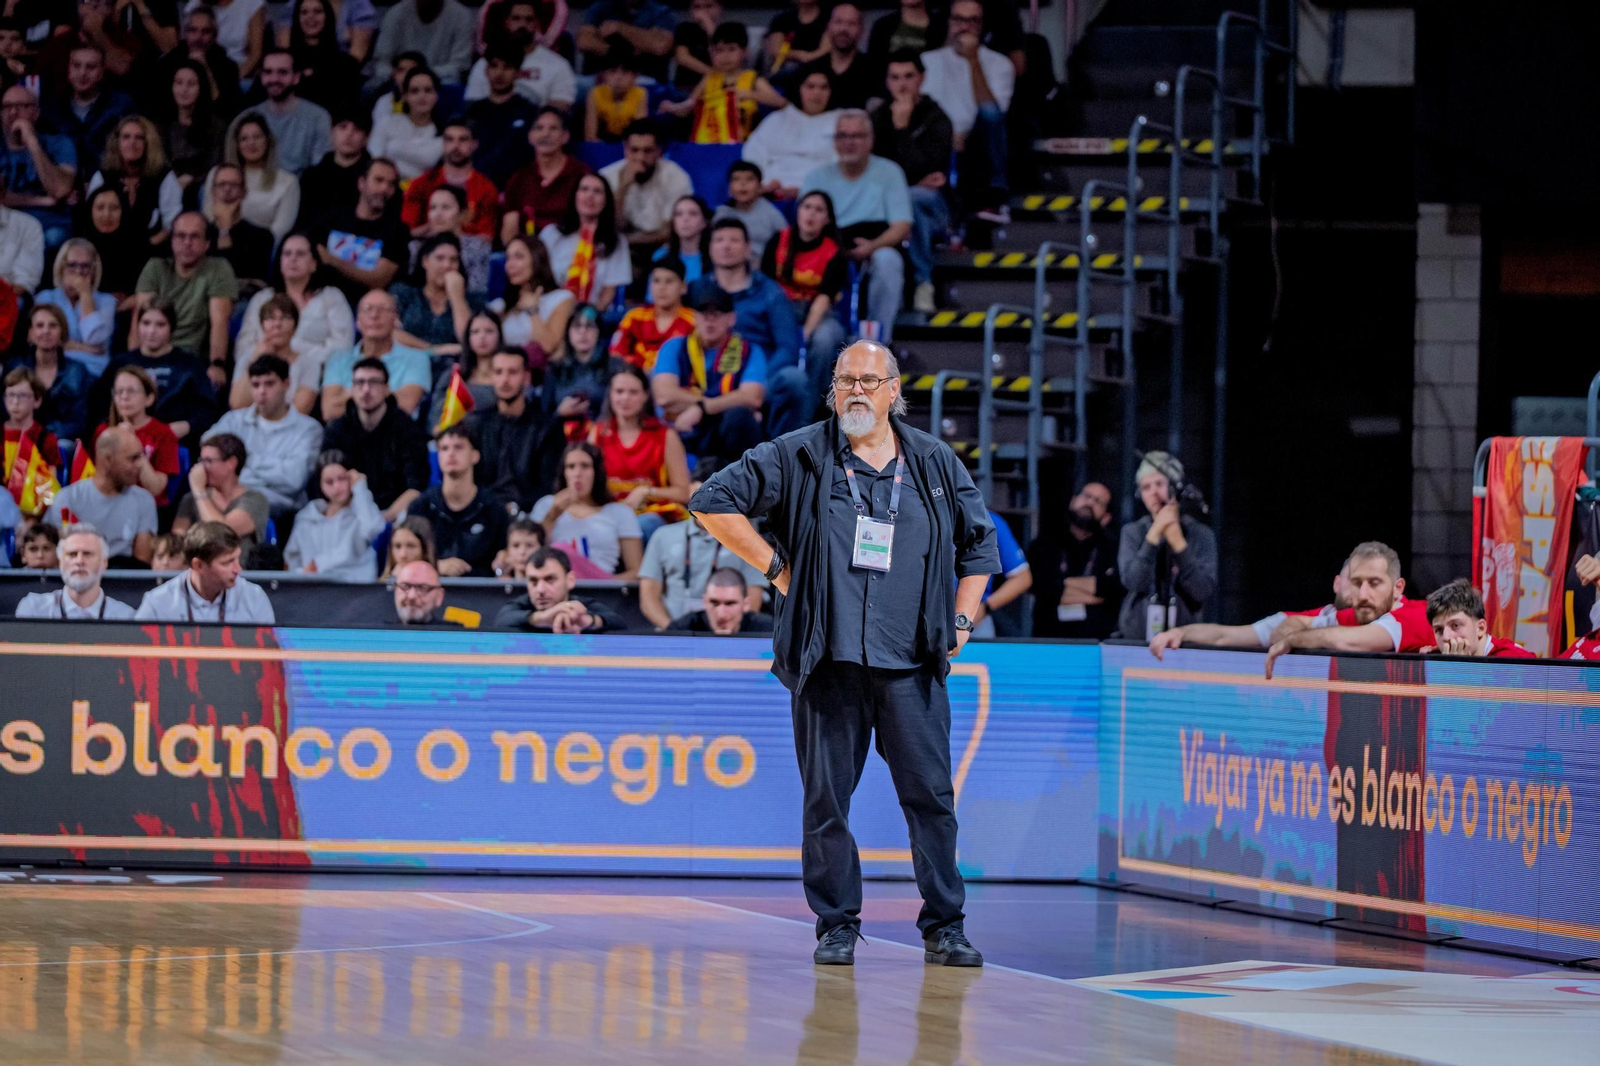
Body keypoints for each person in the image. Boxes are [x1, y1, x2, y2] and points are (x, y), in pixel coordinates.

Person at [688, 339, 996, 967]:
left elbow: (979, 547)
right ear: (832, 390)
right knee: (827, 801)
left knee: (931, 799)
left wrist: (962, 618)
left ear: (893, 390)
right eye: (845, 380)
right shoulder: (798, 453)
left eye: (868, 380)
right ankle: (835, 923)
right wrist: (776, 567)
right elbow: (710, 501)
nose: (855, 390)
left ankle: (945, 926)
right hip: (827, 662)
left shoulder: (935, 461)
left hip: (911, 661)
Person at [800, 109, 911, 342]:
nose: (849, 142)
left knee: (888, 260)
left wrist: (871, 247)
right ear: (835, 142)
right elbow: (804, 225)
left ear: (870, 140)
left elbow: (901, 226)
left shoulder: (890, 172)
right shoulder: (815, 177)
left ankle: (877, 343)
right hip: (828, 249)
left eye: (857, 136)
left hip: (873, 247)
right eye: (843, 136)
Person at [688, 218, 804, 434]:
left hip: (759, 375)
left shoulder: (770, 292)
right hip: (706, 374)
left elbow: (787, 348)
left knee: (793, 379)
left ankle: (783, 453)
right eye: (719, 240)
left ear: (748, 248)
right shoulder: (697, 289)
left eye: (734, 240)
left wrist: (756, 382)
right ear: (710, 248)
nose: (726, 246)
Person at [1261, 542, 1438, 678]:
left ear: (1398, 588)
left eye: (1374, 583)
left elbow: (1346, 641)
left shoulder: (1415, 616)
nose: (1363, 595)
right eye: (1356, 583)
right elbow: (1294, 624)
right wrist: (1284, 638)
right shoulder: (1362, 614)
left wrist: (1292, 640)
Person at [639, 461, 766, 628]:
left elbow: (753, 599)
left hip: (727, 638)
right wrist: (676, 633)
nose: (704, 501)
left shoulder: (747, 540)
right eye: (698, 492)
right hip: (673, 638)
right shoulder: (663, 536)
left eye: (714, 494)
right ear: (689, 490)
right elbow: (648, 597)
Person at [873, 51, 953, 313]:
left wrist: (902, 129)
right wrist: (912, 178)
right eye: (895, 77)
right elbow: (877, 170)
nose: (902, 84)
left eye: (909, 76)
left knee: (911, 198)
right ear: (887, 82)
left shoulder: (937, 118)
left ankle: (919, 283)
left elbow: (926, 168)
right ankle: (923, 283)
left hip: (937, 206)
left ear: (922, 78)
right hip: (897, 203)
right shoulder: (877, 118)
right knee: (909, 202)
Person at [919, 0, 1012, 224]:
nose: (965, 26)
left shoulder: (1000, 63)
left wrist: (973, 61)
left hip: (978, 139)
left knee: (990, 113)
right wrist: (947, 133)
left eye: (972, 20)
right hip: (938, 137)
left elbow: (993, 113)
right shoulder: (927, 61)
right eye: (959, 19)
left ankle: (996, 198)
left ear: (981, 25)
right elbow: (923, 110)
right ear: (949, 22)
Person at [651, 286, 766, 464]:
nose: (709, 321)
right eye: (703, 314)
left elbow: (752, 397)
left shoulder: (749, 351)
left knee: (739, 417)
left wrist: (703, 408)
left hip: (724, 433)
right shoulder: (674, 347)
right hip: (684, 429)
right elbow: (665, 395)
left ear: (731, 318)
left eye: (717, 314)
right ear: (695, 317)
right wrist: (715, 404)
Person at [233, 233, 355, 396]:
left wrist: (291, 350)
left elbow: (343, 348)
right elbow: (243, 347)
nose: (293, 259)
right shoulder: (262, 298)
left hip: (320, 380)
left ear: (314, 264)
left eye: (300, 254)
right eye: (287, 253)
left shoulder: (331, 297)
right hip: (265, 377)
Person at [206, 354, 322, 520]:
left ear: (287, 384)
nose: (262, 391)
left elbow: (294, 480)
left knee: (246, 503)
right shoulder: (232, 421)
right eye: (255, 385)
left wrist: (241, 462)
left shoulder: (309, 429)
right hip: (229, 495)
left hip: (281, 510)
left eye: (269, 384)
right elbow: (209, 459)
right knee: (192, 499)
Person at [1116, 451, 1217, 640]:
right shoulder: (1132, 532)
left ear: (1175, 487)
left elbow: (1201, 590)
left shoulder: (1201, 534)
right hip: (1136, 638)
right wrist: (1153, 535)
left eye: (1159, 484)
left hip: (1185, 639)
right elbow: (1134, 581)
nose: (1153, 492)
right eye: (1146, 487)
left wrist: (1178, 543)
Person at [585, 364, 690, 540]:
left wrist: (646, 492)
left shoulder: (665, 435)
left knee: (640, 525)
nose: (625, 398)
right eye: (619, 391)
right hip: (608, 513)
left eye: (633, 392)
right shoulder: (597, 433)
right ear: (610, 395)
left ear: (645, 396)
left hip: (652, 515)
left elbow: (684, 493)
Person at [131, 210, 239, 378]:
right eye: (180, 236)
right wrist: (135, 364)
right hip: (154, 355)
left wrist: (217, 364)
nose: (187, 243)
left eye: (195, 237)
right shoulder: (155, 267)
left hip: (193, 360)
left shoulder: (218, 268)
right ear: (172, 241)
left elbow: (220, 322)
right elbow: (140, 318)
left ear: (207, 243)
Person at [322, 357, 430, 521]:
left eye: (373, 383)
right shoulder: (337, 430)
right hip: (349, 515)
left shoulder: (408, 429)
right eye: (359, 383)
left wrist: (383, 521)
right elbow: (327, 481)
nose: (366, 390)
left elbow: (415, 488)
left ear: (387, 389)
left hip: (395, 516)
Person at [761, 189, 848, 389]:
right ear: (797, 211)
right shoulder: (778, 240)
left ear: (827, 219)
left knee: (823, 341)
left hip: (820, 312)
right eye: (807, 207)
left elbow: (824, 298)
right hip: (780, 307)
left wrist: (806, 332)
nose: (811, 214)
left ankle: (813, 403)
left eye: (819, 210)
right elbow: (765, 284)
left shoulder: (834, 251)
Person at [101, 301, 220, 445]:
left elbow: (208, 412)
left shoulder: (190, 364)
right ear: (137, 325)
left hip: (175, 440)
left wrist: (186, 426)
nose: (151, 331)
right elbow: (100, 407)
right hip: (125, 439)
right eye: (146, 323)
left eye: (160, 325)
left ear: (172, 327)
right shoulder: (120, 364)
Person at [464, 345, 560, 513]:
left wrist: (516, 508)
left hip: (530, 514)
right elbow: (469, 480)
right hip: (482, 512)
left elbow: (549, 486)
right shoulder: (476, 424)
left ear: (526, 378)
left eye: (513, 372)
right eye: (499, 372)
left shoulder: (547, 428)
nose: (505, 380)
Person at [43, 427, 158, 564]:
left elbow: (141, 564)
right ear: (108, 460)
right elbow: (52, 555)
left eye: (140, 457)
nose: (140, 465)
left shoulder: (144, 501)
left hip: (123, 580)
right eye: (133, 459)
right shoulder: (67, 498)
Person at [659, 22, 787, 144]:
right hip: (707, 141)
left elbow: (781, 102)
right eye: (719, 50)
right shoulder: (709, 79)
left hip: (743, 143)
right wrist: (672, 107)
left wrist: (750, 94)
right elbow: (690, 105)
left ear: (745, 51)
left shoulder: (753, 79)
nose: (725, 56)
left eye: (731, 49)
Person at [409, 423, 509, 576]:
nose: (451, 454)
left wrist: (503, 562)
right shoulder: (421, 507)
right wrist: (436, 566)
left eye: (459, 447)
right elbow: (405, 557)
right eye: (444, 448)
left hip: (482, 593)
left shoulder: (494, 508)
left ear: (475, 455)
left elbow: (503, 557)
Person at [308, 156, 409, 306]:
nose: (384, 189)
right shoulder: (331, 219)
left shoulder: (397, 231)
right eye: (379, 180)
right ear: (362, 183)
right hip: (319, 300)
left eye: (391, 184)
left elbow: (378, 279)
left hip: (364, 308)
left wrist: (332, 260)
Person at [531, 441, 643, 577]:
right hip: (554, 589)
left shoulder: (619, 513)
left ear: (597, 472)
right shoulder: (546, 505)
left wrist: (606, 587)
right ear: (563, 473)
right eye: (571, 467)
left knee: (562, 550)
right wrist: (551, 517)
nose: (577, 473)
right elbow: (529, 556)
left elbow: (636, 571)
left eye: (585, 466)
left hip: (601, 588)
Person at [1027, 481, 1121, 639]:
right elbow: (1041, 587)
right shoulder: (1046, 542)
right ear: (1073, 501)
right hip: (1048, 638)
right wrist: (1094, 594)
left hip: (1096, 641)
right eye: (1087, 496)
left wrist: (1063, 586)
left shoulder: (1113, 548)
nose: (1090, 502)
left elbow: (1113, 590)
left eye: (1099, 501)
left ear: (1106, 517)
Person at [135, 520, 276, 623]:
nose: (238, 569)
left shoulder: (254, 597)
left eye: (237, 559)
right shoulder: (157, 603)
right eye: (227, 562)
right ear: (198, 565)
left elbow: (269, 658)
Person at [320, 289, 431, 420]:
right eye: (367, 309)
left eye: (383, 309)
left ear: (395, 319)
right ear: (358, 321)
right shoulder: (337, 359)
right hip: (346, 436)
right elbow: (330, 410)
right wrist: (387, 394)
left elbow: (406, 405)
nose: (374, 315)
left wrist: (350, 394)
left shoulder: (416, 358)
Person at [283, 449, 385, 580]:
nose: (336, 487)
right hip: (312, 590)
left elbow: (373, 528)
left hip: (354, 589)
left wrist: (360, 488)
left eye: (342, 479)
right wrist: (302, 573)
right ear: (320, 485)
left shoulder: (362, 510)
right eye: (329, 482)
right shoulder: (306, 516)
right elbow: (292, 559)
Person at [600, 121, 693, 265]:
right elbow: (612, 227)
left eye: (647, 151)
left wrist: (625, 240)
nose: (640, 158)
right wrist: (623, 188)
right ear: (625, 149)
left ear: (659, 151)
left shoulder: (676, 177)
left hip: (664, 247)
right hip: (623, 248)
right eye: (634, 150)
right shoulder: (607, 176)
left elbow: (669, 232)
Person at [742, 68, 838, 200]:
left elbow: (844, 165)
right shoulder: (776, 119)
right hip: (771, 190)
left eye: (824, 87)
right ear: (798, 88)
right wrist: (762, 185)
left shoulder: (842, 121)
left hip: (820, 193)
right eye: (810, 87)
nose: (817, 93)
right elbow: (754, 154)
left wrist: (807, 189)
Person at [83, 115, 182, 243]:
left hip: (153, 251)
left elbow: (172, 224)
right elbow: (92, 222)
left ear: (148, 143)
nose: (132, 142)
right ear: (117, 142)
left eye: (139, 138)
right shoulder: (102, 177)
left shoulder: (164, 177)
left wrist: (144, 248)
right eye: (126, 137)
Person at [91, 365, 181, 505]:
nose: (124, 397)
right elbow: (97, 480)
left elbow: (155, 489)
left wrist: (133, 445)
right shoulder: (104, 432)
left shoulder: (164, 433)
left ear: (149, 399)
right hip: (110, 504)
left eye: (131, 391)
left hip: (149, 508)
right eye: (119, 392)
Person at [1, 84, 77, 247]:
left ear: (36, 112)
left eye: (22, 106)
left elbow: (60, 189)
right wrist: (43, 200)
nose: (13, 112)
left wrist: (32, 142)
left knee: (53, 238)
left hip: (48, 226)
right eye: (7, 106)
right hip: (6, 228)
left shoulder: (60, 144)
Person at [500, 106, 590, 244]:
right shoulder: (519, 179)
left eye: (553, 128)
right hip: (531, 255)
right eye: (539, 128)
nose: (545, 134)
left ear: (565, 136)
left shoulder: (582, 175)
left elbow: (590, 223)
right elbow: (509, 231)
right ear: (530, 137)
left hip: (571, 251)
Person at [540, 172, 631, 309]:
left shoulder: (617, 242)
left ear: (606, 201)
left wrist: (587, 320)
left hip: (590, 317)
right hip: (548, 310)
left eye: (597, 191)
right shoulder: (551, 234)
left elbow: (608, 293)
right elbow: (537, 278)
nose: (590, 195)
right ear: (574, 196)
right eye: (584, 189)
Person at [464, 0, 575, 110]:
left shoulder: (558, 65)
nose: (522, 25)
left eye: (529, 20)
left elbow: (561, 108)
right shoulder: (486, 63)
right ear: (507, 22)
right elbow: (472, 106)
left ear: (537, 24)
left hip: (537, 124)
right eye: (516, 18)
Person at [392, 234, 480, 371]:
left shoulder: (471, 302)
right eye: (440, 258)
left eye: (453, 260)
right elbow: (389, 333)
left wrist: (457, 297)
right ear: (425, 261)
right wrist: (433, 350)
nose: (447, 266)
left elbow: (470, 340)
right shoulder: (404, 293)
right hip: (405, 367)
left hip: (451, 371)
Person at [8, 304, 94, 444]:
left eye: (53, 326)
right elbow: (5, 410)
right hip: (19, 437)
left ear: (62, 332)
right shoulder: (15, 366)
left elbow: (79, 422)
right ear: (30, 333)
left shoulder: (78, 371)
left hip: (60, 441)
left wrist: (43, 436)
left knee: (63, 445)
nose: (46, 331)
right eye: (40, 326)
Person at [47, 43, 131, 182]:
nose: (82, 73)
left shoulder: (121, 105)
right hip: (64, 187)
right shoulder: (53, 107)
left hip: (110, 185)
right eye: (76, 65)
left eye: (90, 67)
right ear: (68, 69)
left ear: (101, 72)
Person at [211, 113, 301, 242]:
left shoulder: (288, 182)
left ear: (267, 140)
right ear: (236, 144)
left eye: (257, 137)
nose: (251, 143)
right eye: (244, 139)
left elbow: (280, 231)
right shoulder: (218, 174)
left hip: (262, 250)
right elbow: (208, 219)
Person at [13, 526, 138, 619]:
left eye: (87, 554)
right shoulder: (34, 609)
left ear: (104, 562)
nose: (79, 561)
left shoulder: (126, 616)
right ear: (60, 561)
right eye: (72, 554)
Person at [400, 121, 498, 238]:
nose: (455, 146)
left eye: (463, 140)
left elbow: (486, 237)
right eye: (449, 139)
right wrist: (440, 228)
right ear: (443, 144)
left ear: (474, 144)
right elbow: (407, 232)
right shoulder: (420, 184)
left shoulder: (486, 189)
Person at [492, 546, 623, 632]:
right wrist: (541, 618)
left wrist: (590, 621)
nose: (541, 589)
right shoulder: (521, 604)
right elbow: (501, 621)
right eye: (533, 581)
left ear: (570, 580)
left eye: (550, 579)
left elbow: (619, 623)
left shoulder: (582, 607)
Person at [229, 293, 322, 414]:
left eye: (285, 318)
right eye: (270, 318)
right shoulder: (248, 359)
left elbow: (301, 409)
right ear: (262, 325)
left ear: (295, 325)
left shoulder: (309, 363)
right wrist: (256, 359)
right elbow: (237, 404)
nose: (277, 324)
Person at [172, 432, 272, 543]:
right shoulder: (190, 499)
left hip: (239, 560)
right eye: (201, 460)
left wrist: (199, 490)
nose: (202, 468)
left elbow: (221, 534)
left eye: (209, 461)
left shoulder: (255, 499)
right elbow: (176, 543)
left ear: (231, 463)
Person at [35, 239, 118, 371]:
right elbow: (40, 340)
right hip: (58, 368)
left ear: (94, 270)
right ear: (61, 267)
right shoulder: (46, 298)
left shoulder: (107, 301)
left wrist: (85, 294)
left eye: (85, 266)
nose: (79, 272)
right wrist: (83, 348)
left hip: (95, 370)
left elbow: (94, 338)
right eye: (72, 265)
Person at [462, 42, 537, 187]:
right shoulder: (472, 112)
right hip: (475, 187)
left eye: (507, 67)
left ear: (518, 72)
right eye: (494, 66)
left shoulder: (529, 112)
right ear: (486, 70)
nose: (499, 73)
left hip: (514, 190)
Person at [249, 47, 332, 175]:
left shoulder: (318, 117)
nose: (274, 79)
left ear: (296, 77)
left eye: (282, 72)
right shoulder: (249, 117)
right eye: (268, 72)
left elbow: (320, 169)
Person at [487, 234, 573, 356]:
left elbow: (547, 347)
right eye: (508, 258)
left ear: (537, 259)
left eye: (519, 257)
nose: (510, 265)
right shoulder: (500, 306)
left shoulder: (561, 298)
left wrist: (533, 310)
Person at [152, 7, 242, 121]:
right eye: (193, 30)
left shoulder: (228, 67)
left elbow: (226, 110)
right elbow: (158, 106)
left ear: (215, 36)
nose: (198, 37)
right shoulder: (167, 63)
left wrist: (204, 68)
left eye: (205, 31)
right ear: (184, 33)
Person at [544, 302, 625, 425]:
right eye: (577, 326)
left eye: (589, 326)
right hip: (561, 436)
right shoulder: (555, 368)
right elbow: (542, 415)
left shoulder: (616, 366)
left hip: (604, 435)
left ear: (599, 332)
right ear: (568, 332)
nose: (583, 332)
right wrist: (559, 413)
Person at [610, 257, 694, 373]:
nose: (661, 288)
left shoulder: (693, 321)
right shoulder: (634, 317)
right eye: (656, 281)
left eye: (669, 281)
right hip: (634, 382)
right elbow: (616, 355)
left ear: (683, 287)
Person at [294, 109, 371, 230]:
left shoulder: (374, 179)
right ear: (331, 133)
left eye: (357, 129)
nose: (349, 134)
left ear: (366, 138)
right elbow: (302, 221)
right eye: (343, 127)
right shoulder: (311, 177)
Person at [282, 0, 364, 113]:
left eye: (317, 11)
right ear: (297, 18)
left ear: (328, 16)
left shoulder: (346, 65)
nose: (311, 17)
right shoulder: (283, 61)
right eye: (304, 12)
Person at [426, 308, 500, 429]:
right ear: (468, 337)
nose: (482, 337)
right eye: (475, 332)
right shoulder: (453, 374)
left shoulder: (507, 373)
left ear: (499, 335)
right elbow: (436, 414)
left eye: (489, 331)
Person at [372, 0, 475, 88]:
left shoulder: (461, 16)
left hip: (442, 83)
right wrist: (397, 75)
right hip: (398, 82)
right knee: (372, 87)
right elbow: (382, 61)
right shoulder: (396, 13)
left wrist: (420, 76)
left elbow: (460, 66)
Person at [204, 163, 276, 288]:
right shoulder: (200, 234)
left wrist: (224, 231)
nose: (227, 189)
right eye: (221, 184)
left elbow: (229, 279)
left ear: (244, 192)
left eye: (233, 185)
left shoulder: (261, 237)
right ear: (212, 192)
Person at [3, 368, 62, 521]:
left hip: (33, 514)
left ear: (37, 400)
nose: (15, 402)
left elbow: (48, 490)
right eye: (10, 395)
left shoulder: (45, 438)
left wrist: (31, 520)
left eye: (22, 396)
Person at [159, 58, 228, 188]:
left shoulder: (216, 125)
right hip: (169, 185)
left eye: (191, 84)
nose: (184, 89)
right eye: (179, 83)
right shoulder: (161, 124)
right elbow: (160, 163)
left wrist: (193, 180)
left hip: (205, 186)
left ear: (201, 87)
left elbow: (216, 164)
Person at [1425, 578, 1536, 658]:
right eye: (1439, 630)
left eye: (1455, 625)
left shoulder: (1513, 661)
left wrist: (1459, 671)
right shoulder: (1433, 660)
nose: (1446, 637)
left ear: (1480, 628)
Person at [795, 4, 877, 111]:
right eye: (838, 22)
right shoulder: (809, 70)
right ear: (828, 27)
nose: (843, 29)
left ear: (861, 31)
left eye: (851, 24)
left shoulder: (874, 70)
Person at [369, 66, 444, 182]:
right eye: (414, 91)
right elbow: (373, 158)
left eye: (428, 90)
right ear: (404, 96)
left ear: (437, 95)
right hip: (385, 187)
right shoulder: (387, 123)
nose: (422, 96)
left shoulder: (445, 133)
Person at [412, 186, 492, 295]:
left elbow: (478, 291)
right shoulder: (415, 247)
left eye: (446, 207)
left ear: (462, 214)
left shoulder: (478, 248)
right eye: (433, 208)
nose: (438, 214)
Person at [575, 0, 675, 84]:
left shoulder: (661, 12)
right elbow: (583, 41)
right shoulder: (600, 7)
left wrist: (619, 28)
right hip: (599, 79)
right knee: (576, 86)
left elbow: (660, 46)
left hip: (643, 81)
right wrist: (635, 45)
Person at [75, 185, 148, 300]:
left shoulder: (139, 245)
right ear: (90, 211)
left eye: (114, 208)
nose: (107, 215)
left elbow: (146, 290)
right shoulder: (78, 247)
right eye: (100, 208)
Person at [713, 160, 787, 260]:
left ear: (760, 187)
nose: (743, 184)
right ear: (729, 189)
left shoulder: (771, 214)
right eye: (736, 179)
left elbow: (786, 243)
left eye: (749, 179)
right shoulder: (722, 214)